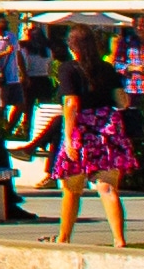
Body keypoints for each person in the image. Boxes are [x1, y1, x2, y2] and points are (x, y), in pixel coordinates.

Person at [54, 30, 135, 249]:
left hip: (81, 129)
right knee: (107, 188)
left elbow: (71, 104)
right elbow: (122, 102)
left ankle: (64, 237)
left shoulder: (68, 69)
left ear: (72, 48)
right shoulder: (107, 68)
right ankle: (119, 239)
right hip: (106, 129)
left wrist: (69, 139)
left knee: (72, 188)